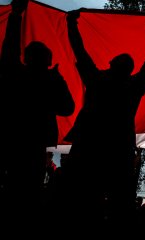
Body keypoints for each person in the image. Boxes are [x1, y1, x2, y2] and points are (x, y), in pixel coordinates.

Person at [63, 10, 145, 235]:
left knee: (80, 203)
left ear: (111, 64)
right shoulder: (132, 86)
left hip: (89, 149)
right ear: (129, 71)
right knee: (119, 207)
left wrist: (72, 23)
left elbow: (79, 50)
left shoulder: (97, 79)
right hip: (118, 152)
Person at [0, 0, 74, 231]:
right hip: (32, 144)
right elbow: (68, 108)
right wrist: (58, 80)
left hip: (12, 140)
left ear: (27, 57)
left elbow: (10, 49)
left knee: (12, 189)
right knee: (29, 192)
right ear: (48, 62)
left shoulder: (16, 74)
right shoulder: (48, 82)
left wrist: (16, 15)